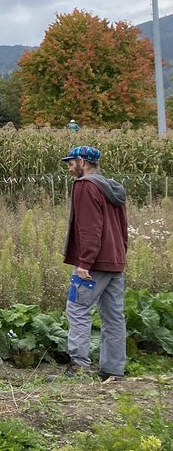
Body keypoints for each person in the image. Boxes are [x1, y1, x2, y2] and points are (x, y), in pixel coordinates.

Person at [60, 145, 128, 381]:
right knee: (113, 316)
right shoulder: (112, 188)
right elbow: (122, 228)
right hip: (115, 261)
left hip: (94, 263)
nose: (69, 169)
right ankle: (113, 370)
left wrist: (85, 262)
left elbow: (89, 227)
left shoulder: (85, 186)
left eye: (71, 164)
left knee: (78, 309)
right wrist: (121, 255)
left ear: (83, 162)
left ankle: (78, 366)